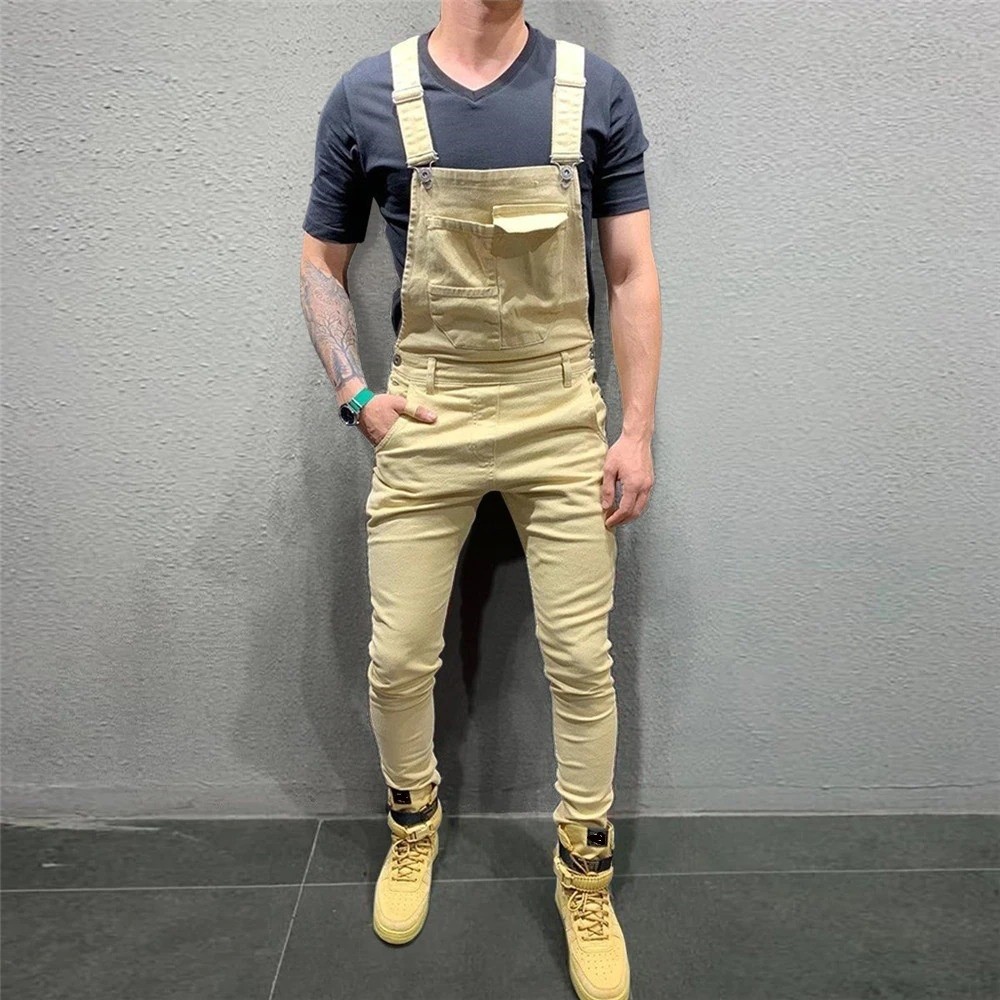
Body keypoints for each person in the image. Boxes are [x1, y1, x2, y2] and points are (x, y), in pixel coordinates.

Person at [299, 3, 660, 998]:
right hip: (428, 409)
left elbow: (631, 271)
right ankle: (412, 821)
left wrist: (634, 431)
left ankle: (584, 877)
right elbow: (321, 262)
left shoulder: (594, 92)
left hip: (560, 411)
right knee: (397, 656)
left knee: (581, 659)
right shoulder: (367, 96)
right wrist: (356, 394)